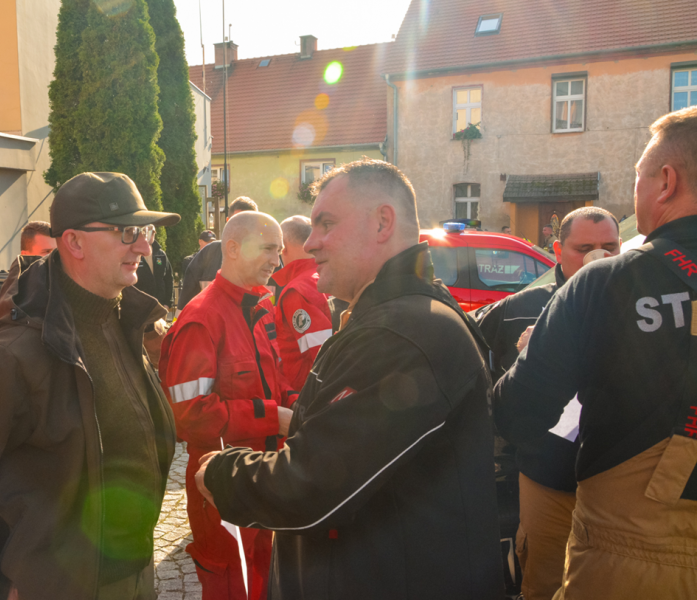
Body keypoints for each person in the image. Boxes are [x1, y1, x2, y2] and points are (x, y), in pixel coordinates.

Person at [194, 158, 504, 600]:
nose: (311, 243)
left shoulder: (402, 334)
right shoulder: (392, 317)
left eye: (326, 224)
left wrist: (223, 474)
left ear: (382, 222)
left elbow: (314, 482)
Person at [0, 172, 180, 600]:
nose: (144, 246)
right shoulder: (14, 353)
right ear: (73, 243)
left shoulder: (122, 322)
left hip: (135, 578)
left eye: (144, 231)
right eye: (128, 232)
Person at [494, 106, 697, 599]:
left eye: (638, 178)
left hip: (632, 558)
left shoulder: (606, 285)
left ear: (665, 182)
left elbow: (515, 412)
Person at [474, 206, 621, 600]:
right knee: (543, 582)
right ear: (557, 250)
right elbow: (472, 351)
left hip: (615, 481)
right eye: (584, 247)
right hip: (546, 477)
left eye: (610, 246)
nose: (599, 258)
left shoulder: (637, 302)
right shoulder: (520, 307)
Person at [159, 211, 298, 600]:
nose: (277, 260)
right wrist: (275, 417)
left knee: (264, 582)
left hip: (264, 478)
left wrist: (300, 406)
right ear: (233, 249)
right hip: (219, 489)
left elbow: (276, 381)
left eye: (280, 250)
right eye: (269, 249)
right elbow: (190, 414)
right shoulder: (201, 318)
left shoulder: (258, 308)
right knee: (232, 587)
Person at [271, 215, 332, 390]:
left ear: (283, 247)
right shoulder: (326, 276)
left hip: (304, 394)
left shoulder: (297, 292)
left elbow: (319, 355)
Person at [0, 221, 58, 345]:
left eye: (56, 252)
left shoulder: (69, 295)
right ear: (25, 255)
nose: (53, 258)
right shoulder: (2, 303)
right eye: (46, 252)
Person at [177, 197, 258, 310]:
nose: (243, 226)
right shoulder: (208, 253)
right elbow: (185, 304)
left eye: (249, 221)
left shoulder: (267, 258)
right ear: (228, 221)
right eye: (238, 221)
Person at [135, 239, 174, 310]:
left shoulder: (161, 254)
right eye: (150, 230)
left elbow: (169, 279)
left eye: (153, 231)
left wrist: (167, 303)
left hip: (160, 305)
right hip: (140, 307)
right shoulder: (135, 253)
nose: (153, 233)